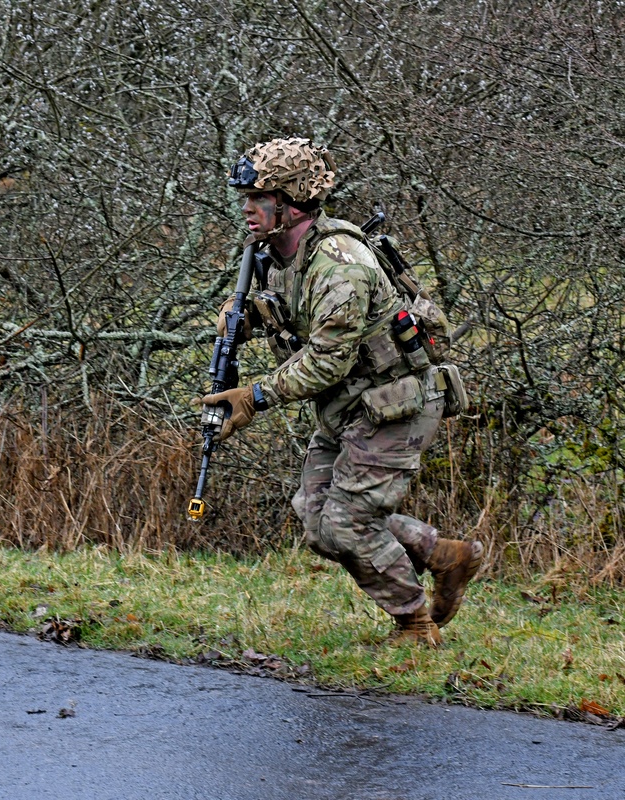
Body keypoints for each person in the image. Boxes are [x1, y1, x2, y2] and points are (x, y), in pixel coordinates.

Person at [200, 137, 482, 646]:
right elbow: (291, 314)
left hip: (398, 403)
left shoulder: (341, 264)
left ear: (289, 202)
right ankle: (443, 555)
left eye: (258, 198)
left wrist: (254, 397)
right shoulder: (278, 255)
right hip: (350, 406)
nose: (246, 208)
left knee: (347, 525)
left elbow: (328, 359)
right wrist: (243, 320)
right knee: (316, 518)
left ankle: (415, 624)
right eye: (246, 197)